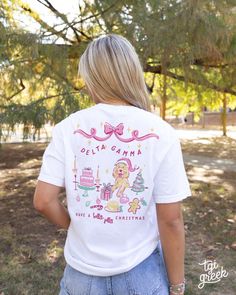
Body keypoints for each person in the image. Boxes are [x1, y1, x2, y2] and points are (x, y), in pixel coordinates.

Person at [34, 34, 191, 295]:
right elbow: (171, 220)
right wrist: (177, 285)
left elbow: (43, 201)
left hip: (80, 277)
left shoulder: (67, 128)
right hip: (141, 274)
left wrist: (75, 226)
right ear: (131, 73)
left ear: (92, 77)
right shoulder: (161, 132)